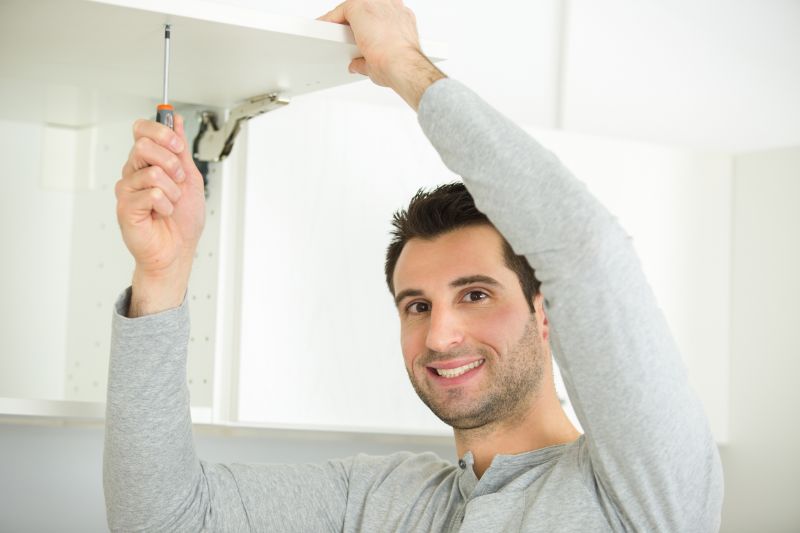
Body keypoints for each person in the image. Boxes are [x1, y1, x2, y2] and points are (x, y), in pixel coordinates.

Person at [105, 0, 724, 531]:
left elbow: (586, 249)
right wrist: (164, 271)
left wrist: (404, 66)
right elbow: (163, 520)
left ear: (544, 311)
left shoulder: (642, 489)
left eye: (476, 294)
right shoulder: (379, 500)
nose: (439, 334)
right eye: (417, 305)